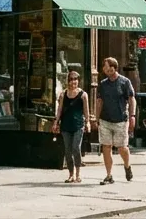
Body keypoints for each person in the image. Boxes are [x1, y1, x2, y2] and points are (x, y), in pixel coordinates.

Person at [94, 57, 135, 185]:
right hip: (105, 119)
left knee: (122, 147)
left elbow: (131, 99)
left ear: (113, 67)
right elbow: (99, 101)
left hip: (120, 120)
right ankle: (109, 175)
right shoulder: (103, 84)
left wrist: (132, 115)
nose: (104, 69)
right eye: (104, 67)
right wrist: (96, 118)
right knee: (106, 147)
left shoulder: (124, 82)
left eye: (106, 66)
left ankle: (127, 165)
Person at [52, 70, 89, 183]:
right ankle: (70, 174)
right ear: (68, 81)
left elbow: (86, 110)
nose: (73, 82)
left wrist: (87, 122)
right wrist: (56, 122)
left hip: (78, 125)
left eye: (75, 79)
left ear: (78, 81)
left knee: (75, 148)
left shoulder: (83, 94)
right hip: (66, 125)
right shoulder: (63, 94)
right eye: (71, 79)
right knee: (67, 150)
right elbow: (60, 109)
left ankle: (78, 173)